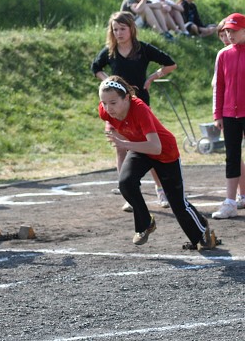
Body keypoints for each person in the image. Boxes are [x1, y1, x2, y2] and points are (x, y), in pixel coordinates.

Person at [99, 76, 217, 249]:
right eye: (103, 103)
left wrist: (124, 144)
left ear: (126, 98)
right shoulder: (105, 111)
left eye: (113, 102)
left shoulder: (139, 109)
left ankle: (202, 232)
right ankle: (146, 223)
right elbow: (120, 126)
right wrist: (122, 139)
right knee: (126, 183)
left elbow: (155, 147)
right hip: (140, 149)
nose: (108, 108)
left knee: (178, 205)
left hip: (164, 152)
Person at [91, 11, 177, 212]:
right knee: (121, 149)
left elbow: (170, 63)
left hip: (139, 106)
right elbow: (95, 67)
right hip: (116, 108)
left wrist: (152, 78)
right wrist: (107, 81)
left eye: (122, 28)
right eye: (115, 29)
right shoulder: (110, 51)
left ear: (131, 28)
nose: (119, 33)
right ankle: (129, 194)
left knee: (148, 148)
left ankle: (160, 189)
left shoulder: (143, 49)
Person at [211, 13, 245, 219]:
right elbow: (219, 86)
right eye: (226, 31)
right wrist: (218, 114)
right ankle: (230, 203)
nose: (229, 34)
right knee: (232, 157)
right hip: (229, 114)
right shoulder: (223, 54)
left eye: (233, 30)